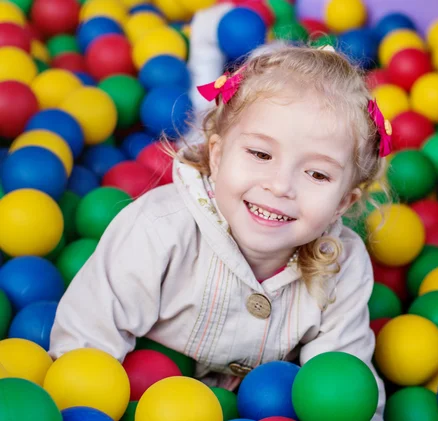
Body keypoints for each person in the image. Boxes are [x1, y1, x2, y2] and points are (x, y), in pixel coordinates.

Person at [49, 44, 393, 420]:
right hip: (144, 395)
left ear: (343, 202)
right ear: (216, 154)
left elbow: (342, 384)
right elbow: (86, 343)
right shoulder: (158, 230)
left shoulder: (342, 266)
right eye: (261, 154)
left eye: (317, 174)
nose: (280, 186)